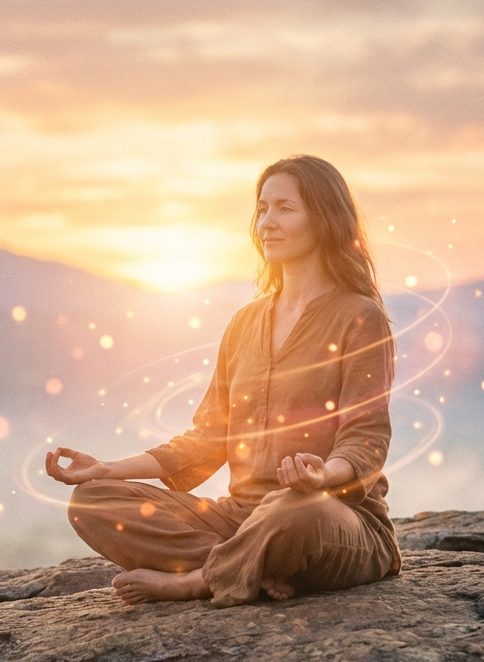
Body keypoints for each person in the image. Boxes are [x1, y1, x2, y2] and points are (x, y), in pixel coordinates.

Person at [45, 155, 400, 608]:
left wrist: (320, 477)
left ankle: (199, 580)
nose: (267, 222)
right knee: (93, 502)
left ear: (325, 218)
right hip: (240, 519)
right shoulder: (244, 323)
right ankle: (254, 566)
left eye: (285, 208)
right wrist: (108, 469)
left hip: (329, 517)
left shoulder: (360, 317)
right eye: (262, 209)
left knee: (294, 509)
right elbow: (208, 437)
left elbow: (366, 439)